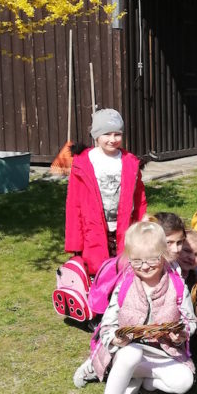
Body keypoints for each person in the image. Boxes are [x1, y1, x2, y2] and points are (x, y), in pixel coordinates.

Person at [76, 221, 197, 394]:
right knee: (131, 354)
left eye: (152, 259)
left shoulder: (177, 284)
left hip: (163, 352)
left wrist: (182, 333)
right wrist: (115, 338)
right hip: (127, 351)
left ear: (164, 254)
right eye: (137, 261)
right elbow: (108, 323)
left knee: (184, 382)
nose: (144, 266)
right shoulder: (125, 284)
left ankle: (141, 384)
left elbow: (190, 321)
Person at [65, 108, 148, 278]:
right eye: (107, 134)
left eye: (117, 134)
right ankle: (97, 301)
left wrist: (142, 224)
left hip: (124, 228)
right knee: (97, 271)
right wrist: (74, 242)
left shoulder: (130, 162)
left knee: (125, 270)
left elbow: (139, 197)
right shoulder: (83, 163)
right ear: (96, 135)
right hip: (92, 230)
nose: (112, 139)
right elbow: (74, 203)